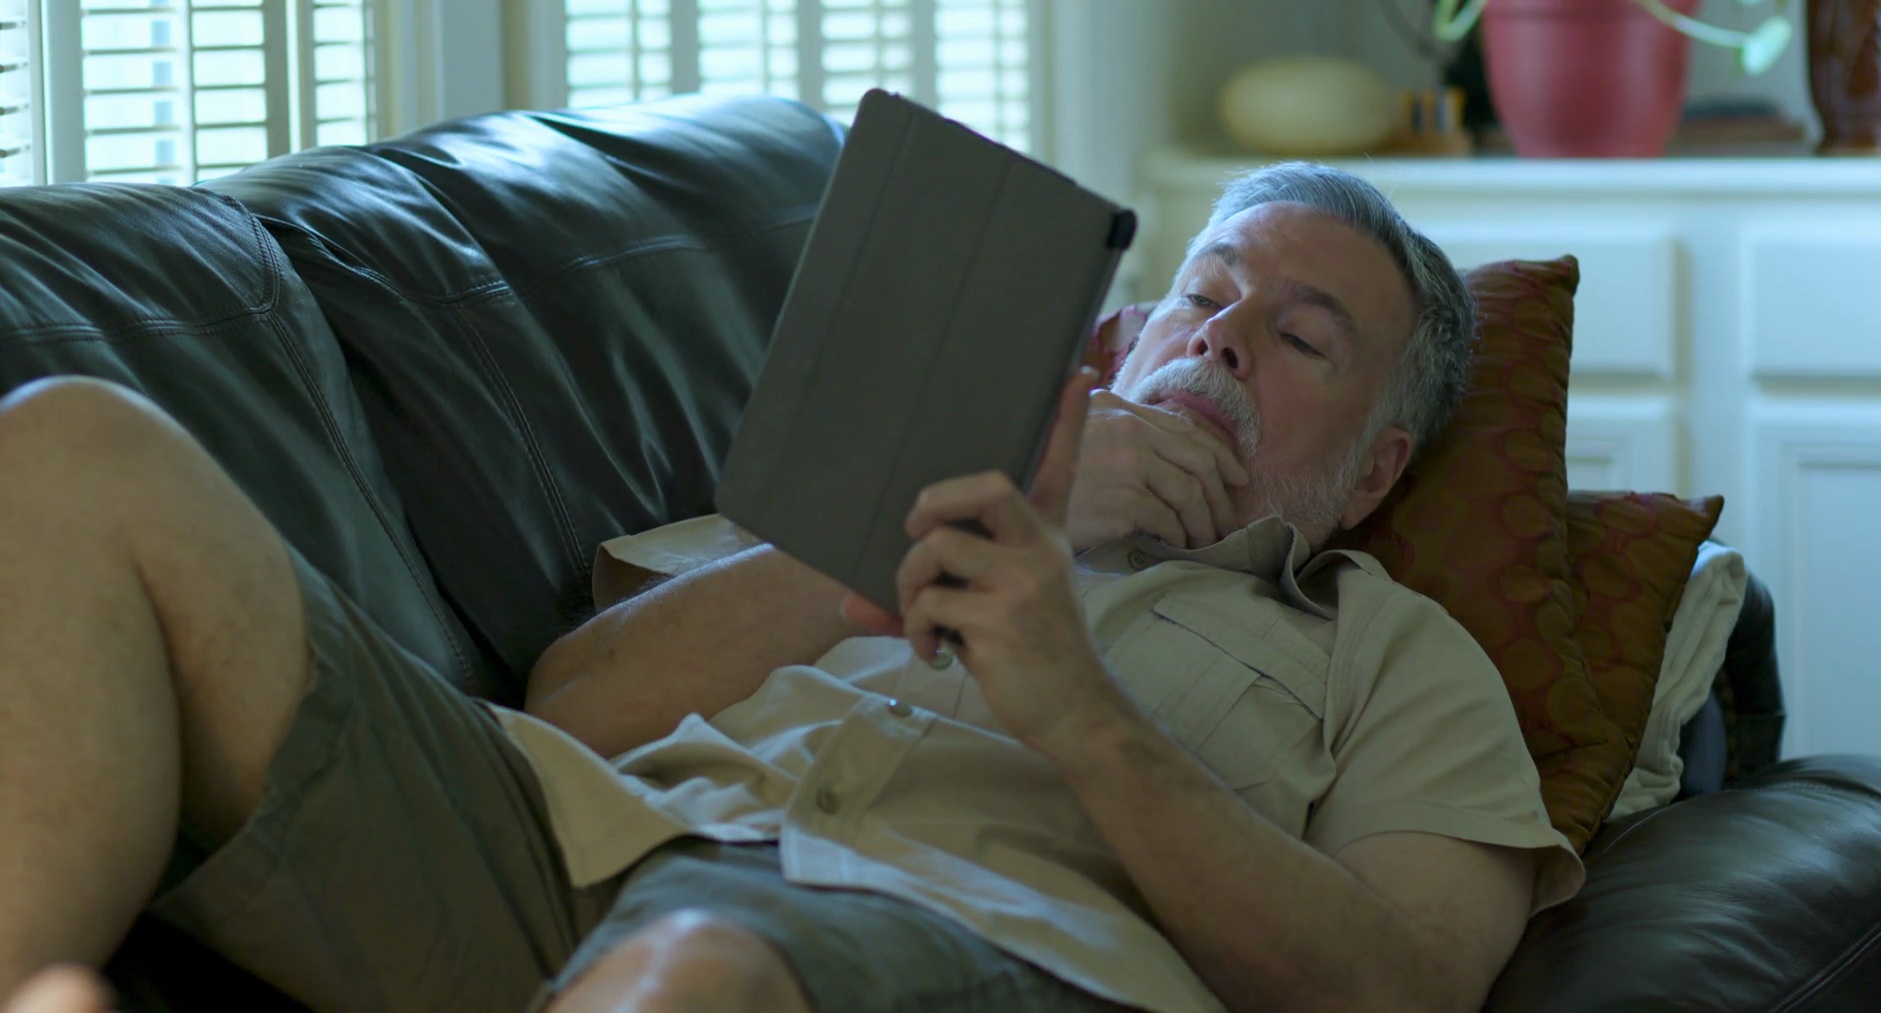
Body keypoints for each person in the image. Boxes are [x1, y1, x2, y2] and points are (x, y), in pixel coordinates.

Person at [0, 163, 1580, 1013]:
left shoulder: (1394, 656)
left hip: (937, 937)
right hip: (565, 837)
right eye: (1205, 297)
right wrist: (929, 523)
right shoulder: (895, 486)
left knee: (694, 971)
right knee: (77, 445)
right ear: (1124, 341)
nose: (1224, 337)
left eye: (1300, 338)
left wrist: (1083, 715)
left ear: (1372, 472)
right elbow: (577, 704)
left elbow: (1402, 990)